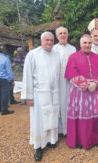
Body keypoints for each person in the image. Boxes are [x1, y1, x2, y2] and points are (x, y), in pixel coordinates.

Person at [21, 31, 60, 161]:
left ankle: (51, 140)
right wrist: (28, 97)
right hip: (39, 95)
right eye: (46, 40)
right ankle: (39, 147)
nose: (49, 42)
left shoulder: (56, 54)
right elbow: (27, 76)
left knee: (53, 116)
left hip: (53, 94)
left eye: (51, 40)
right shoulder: (33, 55)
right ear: (41, 41)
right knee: (39, 121)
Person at [64, 34, 98, 149]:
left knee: (94, 116)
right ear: (80, 44)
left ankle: (95, 139)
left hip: (94, 90)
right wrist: (86, 85)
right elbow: (72, 73)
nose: (87, 45)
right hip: (79, 92)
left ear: (92, 44)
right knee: (81, 116)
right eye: (85, 43)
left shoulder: (97, 57)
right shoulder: (73, 57)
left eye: (89, 43)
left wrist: (96, 83)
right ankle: (80, 140)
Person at [53, 26, 76, 136]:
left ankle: (68, 129)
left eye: (64, 33)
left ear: (67, 35)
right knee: (58, 103)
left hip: (70, 82)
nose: (62, 35)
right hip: (57, 81)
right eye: (60, 33)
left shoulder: (73, 49)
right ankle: (59, 129)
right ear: (57, 36)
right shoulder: (53, 49)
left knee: (68, 103)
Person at [0, 43, 15, 115]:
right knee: (5, 94)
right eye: (5, 48)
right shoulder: (5, 59)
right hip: (4, 79)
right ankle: (4, 110)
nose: (6, 50)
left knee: (0, 93)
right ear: (2, 49)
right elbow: (9, 71)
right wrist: (12, 80)